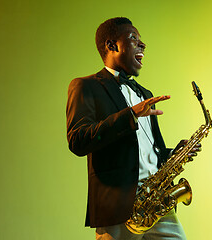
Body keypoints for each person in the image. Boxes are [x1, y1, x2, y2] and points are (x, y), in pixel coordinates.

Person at [66, 17, 201, 240]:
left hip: (156, 200)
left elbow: (144, 150)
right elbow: (78, 140)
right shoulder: (85, 86)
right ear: (111, 45)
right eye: (133, 38)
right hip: (118, 204)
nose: (142, 44)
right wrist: (130, 114)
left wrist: (173, 154)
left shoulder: (145, 95)